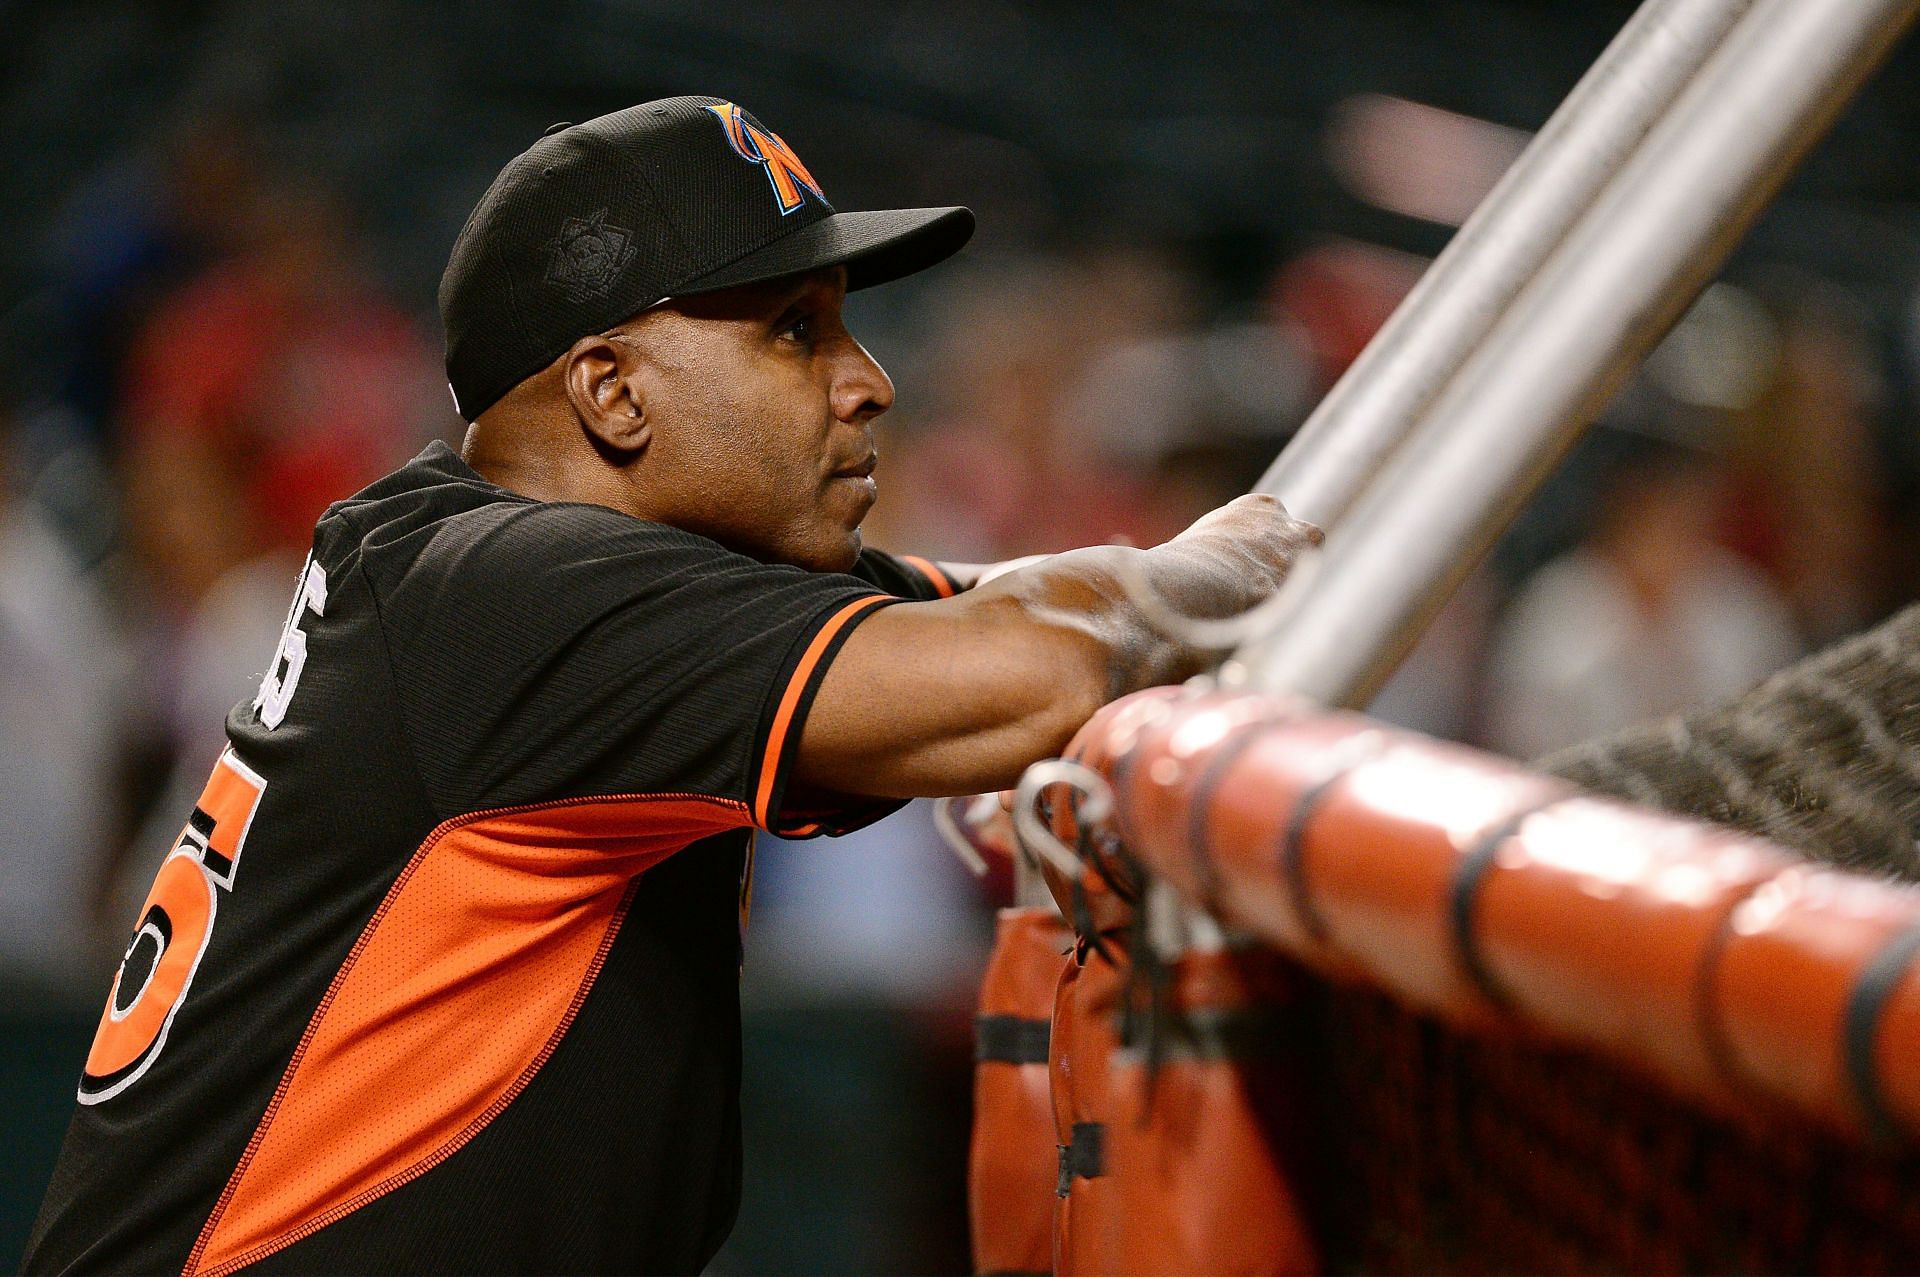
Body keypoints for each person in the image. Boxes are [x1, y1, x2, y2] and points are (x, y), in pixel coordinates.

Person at [23, 97, 1318, 1275]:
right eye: (795, 331)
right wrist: (1272, 538)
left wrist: (1152, 577)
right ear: (613, 392)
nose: (867, 380)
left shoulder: (469, 552)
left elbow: (996, 602)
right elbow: (1041, 665)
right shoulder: (521, 600)